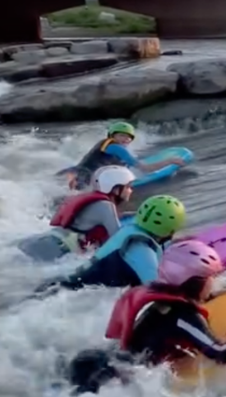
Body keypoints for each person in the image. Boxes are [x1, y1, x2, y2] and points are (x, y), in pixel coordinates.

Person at [65, 241, 226, 394]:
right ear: (195, 282)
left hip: (97, 361)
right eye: (211, 278)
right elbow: (220, 354)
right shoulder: (183, 316)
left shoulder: (158, 294)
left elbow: (165, 322)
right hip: (111, 381)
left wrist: (207, 299)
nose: (214, 283)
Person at [53, 194, 186, 290]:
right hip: (69, 295)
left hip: (65, 285)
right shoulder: (141, 250)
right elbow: (156, 289)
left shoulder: (130, 229)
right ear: (170, 230)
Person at [19, 166, 138, 261]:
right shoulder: (106, 206)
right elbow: (117, 238)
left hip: (48, 239)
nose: (131, 191)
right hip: (57, 249)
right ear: (116, 189)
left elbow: (94, 218)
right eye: (128, 187)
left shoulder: (96, 201)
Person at [63, 122, 186, 190]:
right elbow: (145, 168)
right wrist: (170, 161)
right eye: (121, 135)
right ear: (112, 136)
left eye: (128, 137)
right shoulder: (116, 148)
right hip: (82, 178)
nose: (125, 139)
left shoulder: (106, 144)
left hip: (75, 172)